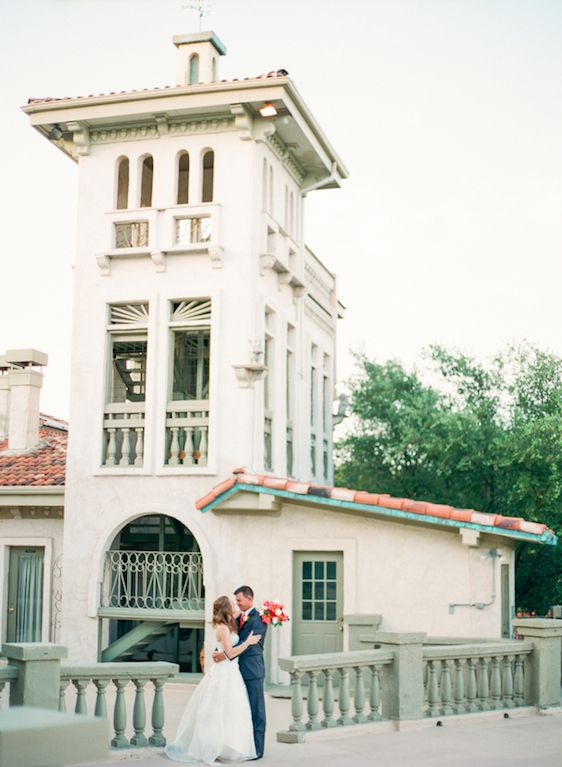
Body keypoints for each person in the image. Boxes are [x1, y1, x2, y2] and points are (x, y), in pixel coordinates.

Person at [165, 595, 261, 764]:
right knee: (217, 710)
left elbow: (243, 612)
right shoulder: (223, 628)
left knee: (232, 710)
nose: (235, 605)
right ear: (225, 609)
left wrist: (268, 610)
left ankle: (228, 745)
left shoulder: (229, 623)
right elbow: (230, 654)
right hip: (225, 672)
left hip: (231, 671)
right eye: (231, 604)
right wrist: (248, 643)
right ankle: (213, 746)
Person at [213, 586, 268, 760]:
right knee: (238, 711)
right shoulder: (237, 618)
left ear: (249, 599)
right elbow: (227, 636)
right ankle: (242, 745)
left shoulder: (259, 619)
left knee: (256, 710)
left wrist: (222, 655)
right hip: (235, 671)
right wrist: (219, 651)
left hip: (252, 670)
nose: (236, 603)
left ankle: (257, 750)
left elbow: (247, 643)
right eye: (234, 601)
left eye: (239, 600)